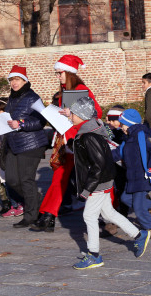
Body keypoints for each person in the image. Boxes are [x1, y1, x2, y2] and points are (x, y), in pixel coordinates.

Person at [68, 97, 150, 269]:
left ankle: (94, 255)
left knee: (89, 216)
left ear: (82, 115)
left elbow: (97, 165)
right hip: (103, 181)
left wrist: (86, 190)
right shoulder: (90, 130)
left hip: (97, 183)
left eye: (73, 114)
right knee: (108, 214)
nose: (71, 116)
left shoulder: (88, 135)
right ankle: (138, 235)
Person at [32, 55, 102, 232]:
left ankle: (109, 213)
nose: (58, 77)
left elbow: (97, 112)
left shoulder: (80, 89)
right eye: (57, 73)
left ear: (69, 72)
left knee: (90, 180)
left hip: (80, 142)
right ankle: (48, 216)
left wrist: (73, 112)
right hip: (66, 142)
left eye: (60, 73)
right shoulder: (65, 91)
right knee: (59, 178)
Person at [3, 65, 50, 228]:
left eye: (17, 79)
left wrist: (21, 123)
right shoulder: (12, 98)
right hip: (14, 144)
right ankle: (38, 203)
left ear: (24, 80)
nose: (14, 83)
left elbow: (41, 120)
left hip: (32, 144)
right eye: (11, 80)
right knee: (11, 180)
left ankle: (31, 215)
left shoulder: (32, 97)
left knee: (26, 180)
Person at [118, 109, 151, 236]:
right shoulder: (128, 138)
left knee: (138, 207)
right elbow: (119, 152)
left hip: (143, 175)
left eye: (122, 124)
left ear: (130, 124)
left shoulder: (143, 135)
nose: (121, 127)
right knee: (125, 198)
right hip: (132, 176)